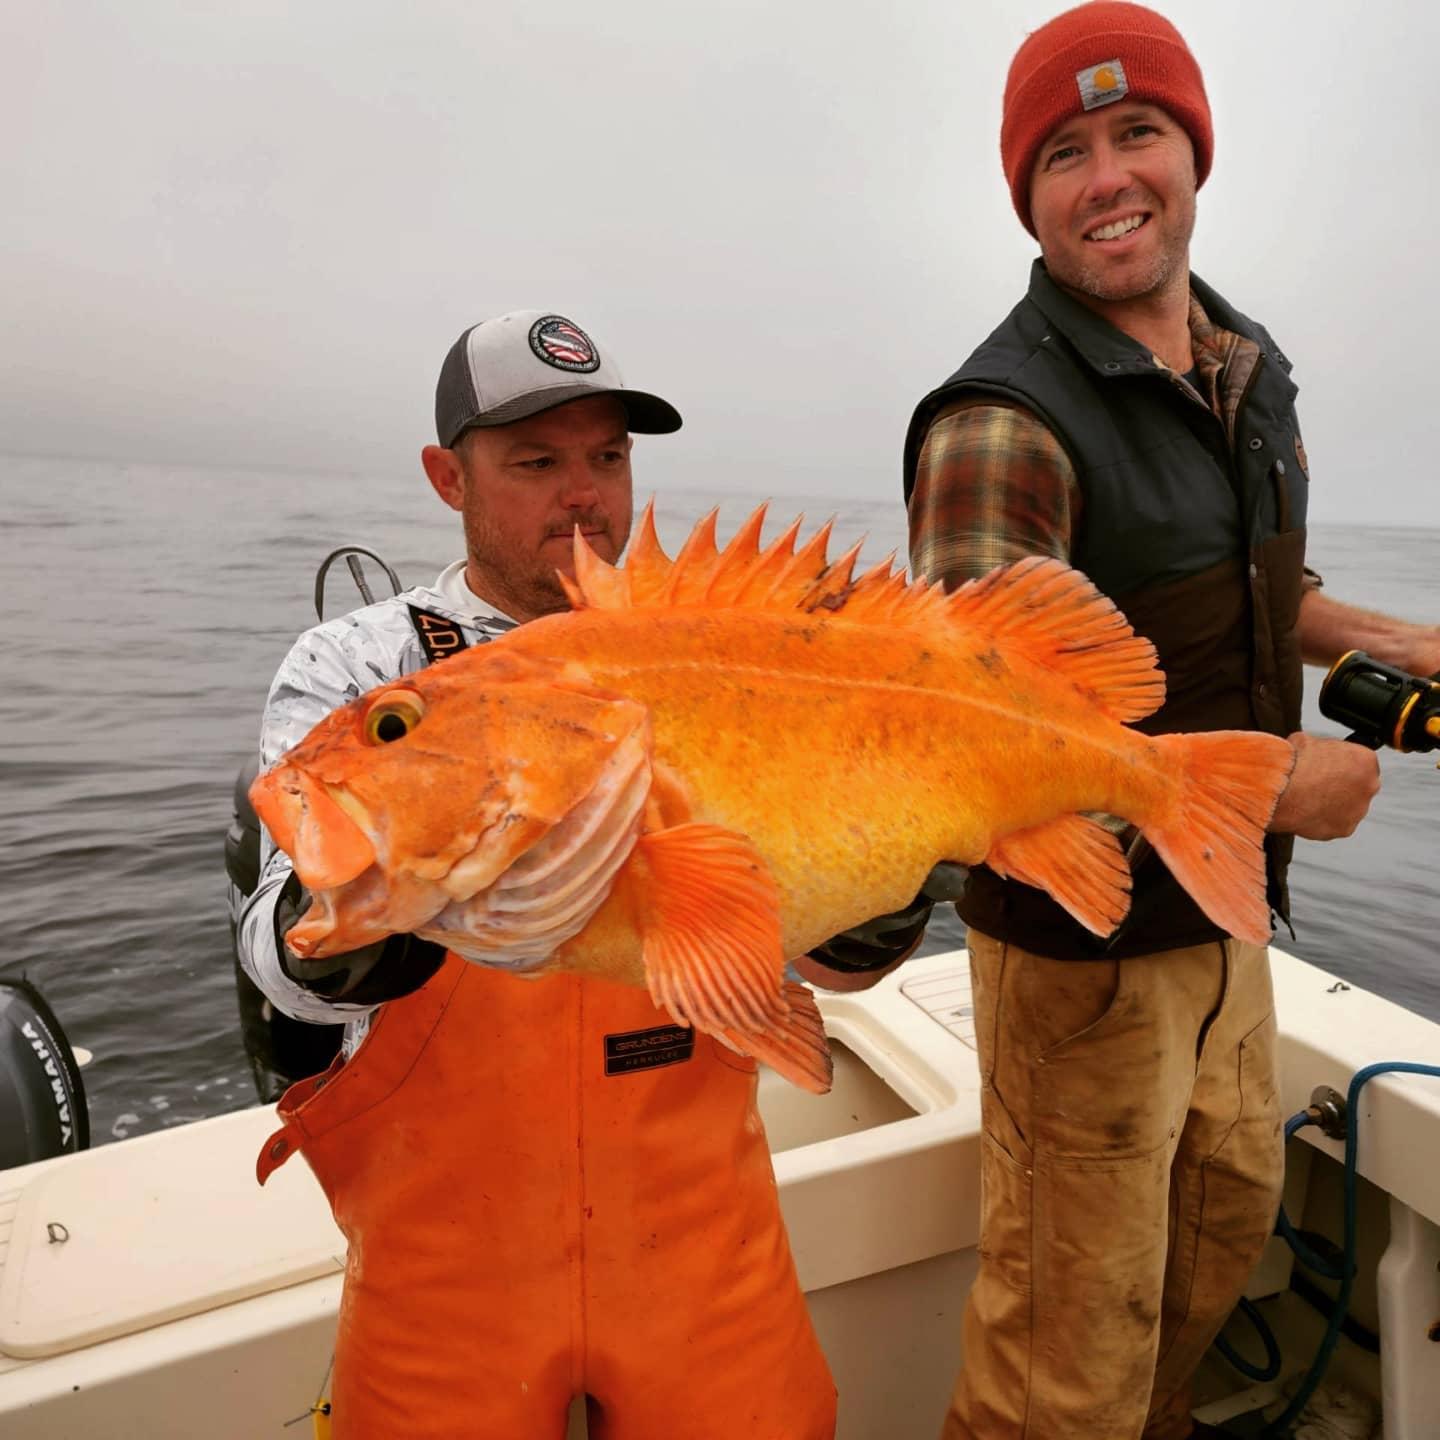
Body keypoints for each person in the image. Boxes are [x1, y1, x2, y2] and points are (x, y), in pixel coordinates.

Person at [901, 6, 1440, 1438]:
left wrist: (1397, 639)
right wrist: (1281, 791)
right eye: (1062, 153)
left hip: (1223, 926)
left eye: (1136, 131)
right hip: (1080, 961)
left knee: (1218, 1233)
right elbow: (975, 732)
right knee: (1061, 1359)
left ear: (1193, 153)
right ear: (1027, 196)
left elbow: (1256, 580)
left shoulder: (1240, 367)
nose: (1106, 177)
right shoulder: (1002, 423)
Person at [238, 309, 867, 1440]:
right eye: (537, 462)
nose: (585, 495)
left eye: (608, 458)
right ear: (448, 477)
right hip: (449, 1262)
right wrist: (363, 915)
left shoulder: (721, 643)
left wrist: (878, 903)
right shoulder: (362, 668)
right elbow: (275, 951)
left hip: (699, 1237)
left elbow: (816, 947)